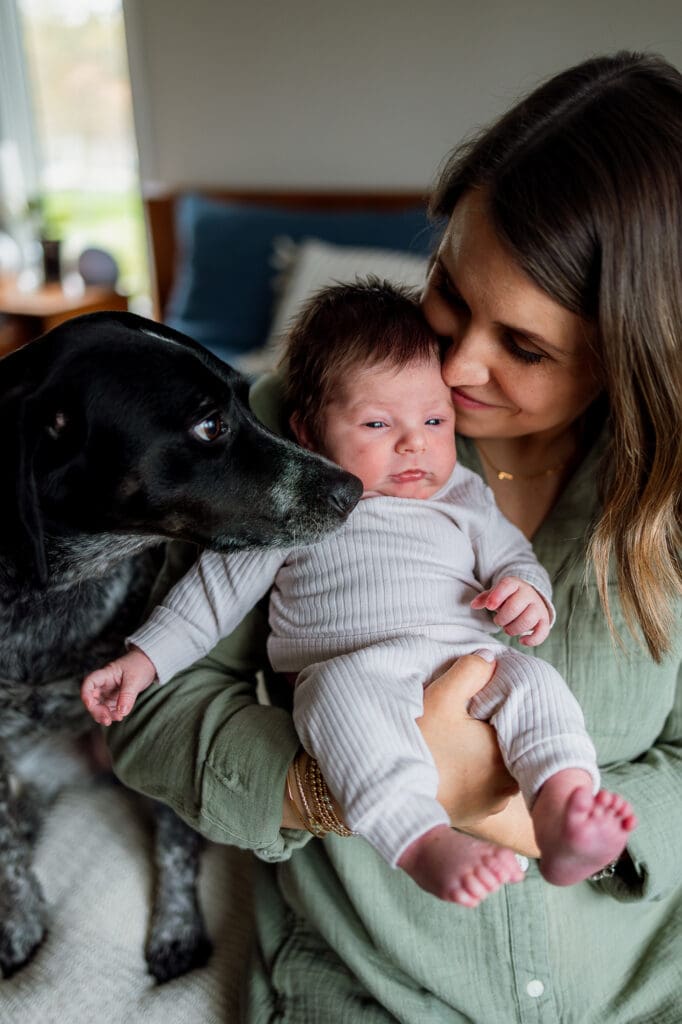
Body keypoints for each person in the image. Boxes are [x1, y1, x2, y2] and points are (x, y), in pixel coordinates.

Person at [108, 51, 681, 1022]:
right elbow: (151, 718)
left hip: (635, 991)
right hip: (369, 988)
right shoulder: (299, 428)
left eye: (526, 347)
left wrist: (510, 806)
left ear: (633, 353)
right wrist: (323, 789)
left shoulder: (658, 490)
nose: (454, 368)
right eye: (450, 292)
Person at [82, 281, 636, 904]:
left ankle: (562, 806)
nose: (414, 442)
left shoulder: (464, 495)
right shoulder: (294, 504)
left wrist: (526, 592)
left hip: (471, 661)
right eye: (377, 423)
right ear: (310, 435)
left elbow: (513, 557)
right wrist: (142, 658)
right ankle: (418, 838)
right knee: (344, 711)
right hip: (352, 668)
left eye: (434, 419)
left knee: (538, 687)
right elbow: (210, 595)